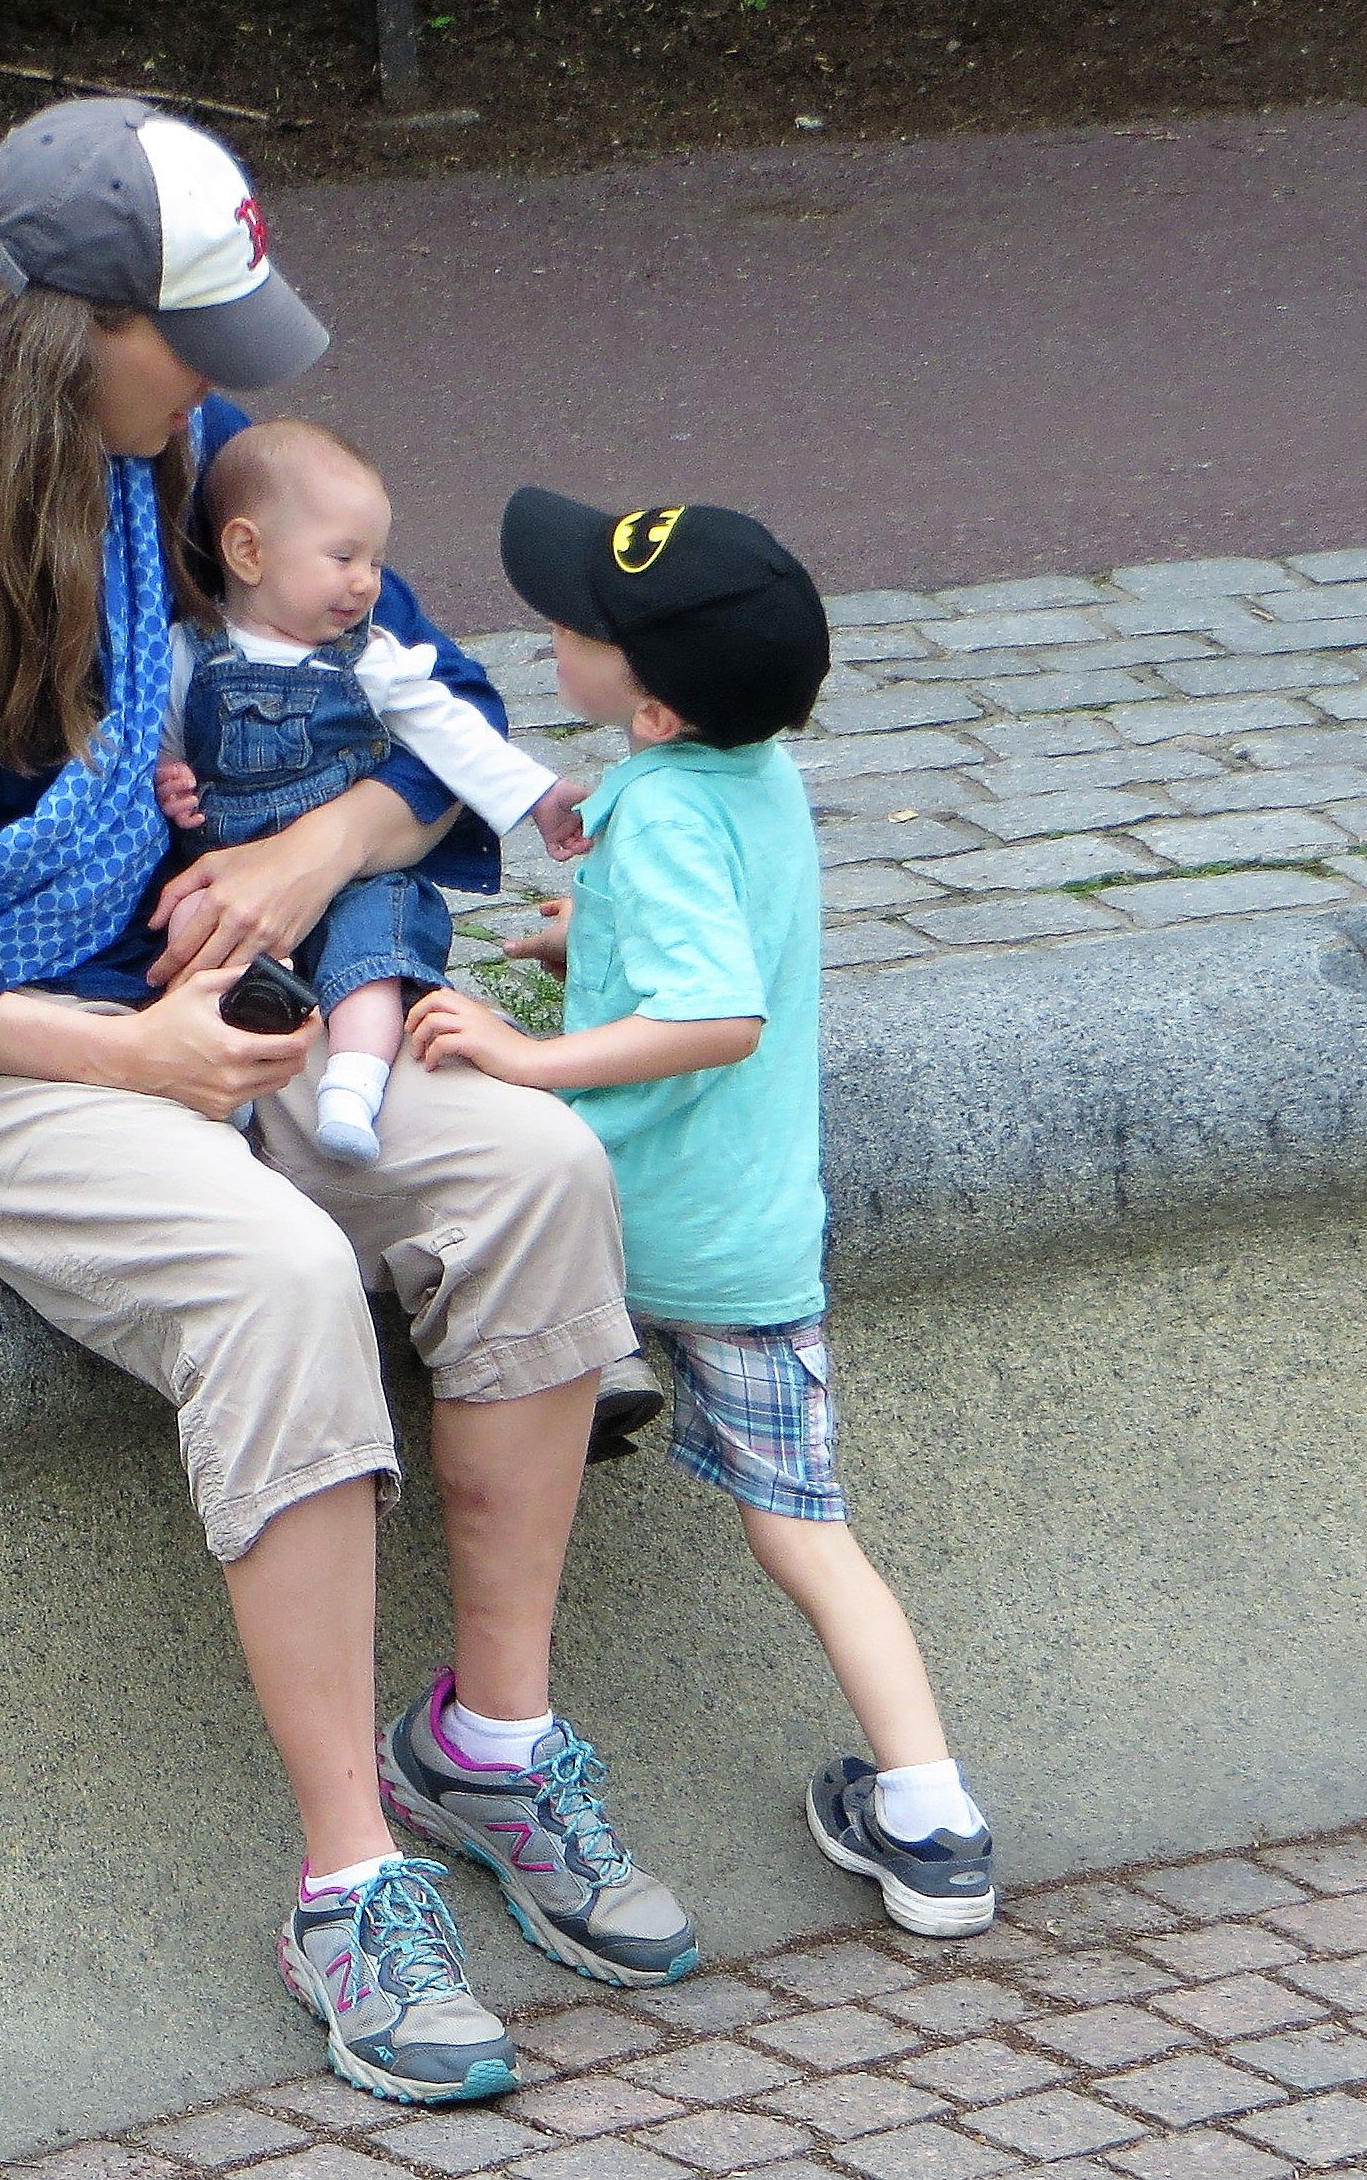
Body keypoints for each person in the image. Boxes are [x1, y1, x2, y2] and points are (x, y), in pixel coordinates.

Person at [0, 98, 696, 2108]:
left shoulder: (189, 458)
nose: (226, 383)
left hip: (183, 981)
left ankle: (490, 1745)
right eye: (193, 339)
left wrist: (308, 860)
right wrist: (131, 1058)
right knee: (274, 1273)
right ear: (66, 328)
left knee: (536, 1169)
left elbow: (453, 716)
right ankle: (349, 1883)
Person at [404, 489, 1003, 1938]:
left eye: (578, 626)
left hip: (633, 1222)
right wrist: (593, 937)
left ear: (658, 709)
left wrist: (528, 1055)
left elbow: (718, 1011)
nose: (554, 631)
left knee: (483, 1258)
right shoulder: (754, 773)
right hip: (753, 1239)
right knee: (805, 1529)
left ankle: (602, 1375)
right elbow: (731, 931)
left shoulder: (660, 806)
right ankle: (934, 1818)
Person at [156, 418, 589, 1163]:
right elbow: (162, 730)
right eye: (343, 558)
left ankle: (353, 1086)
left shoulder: (370, 656)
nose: (366, 582)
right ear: (248, 552)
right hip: (227, 863)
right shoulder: (192, 648)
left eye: (376, 562)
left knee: (375, 954)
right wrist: (170, 776)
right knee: (199, 931)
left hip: (354, 876)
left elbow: (450, 728)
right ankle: (230, 1077)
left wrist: (536, 795)